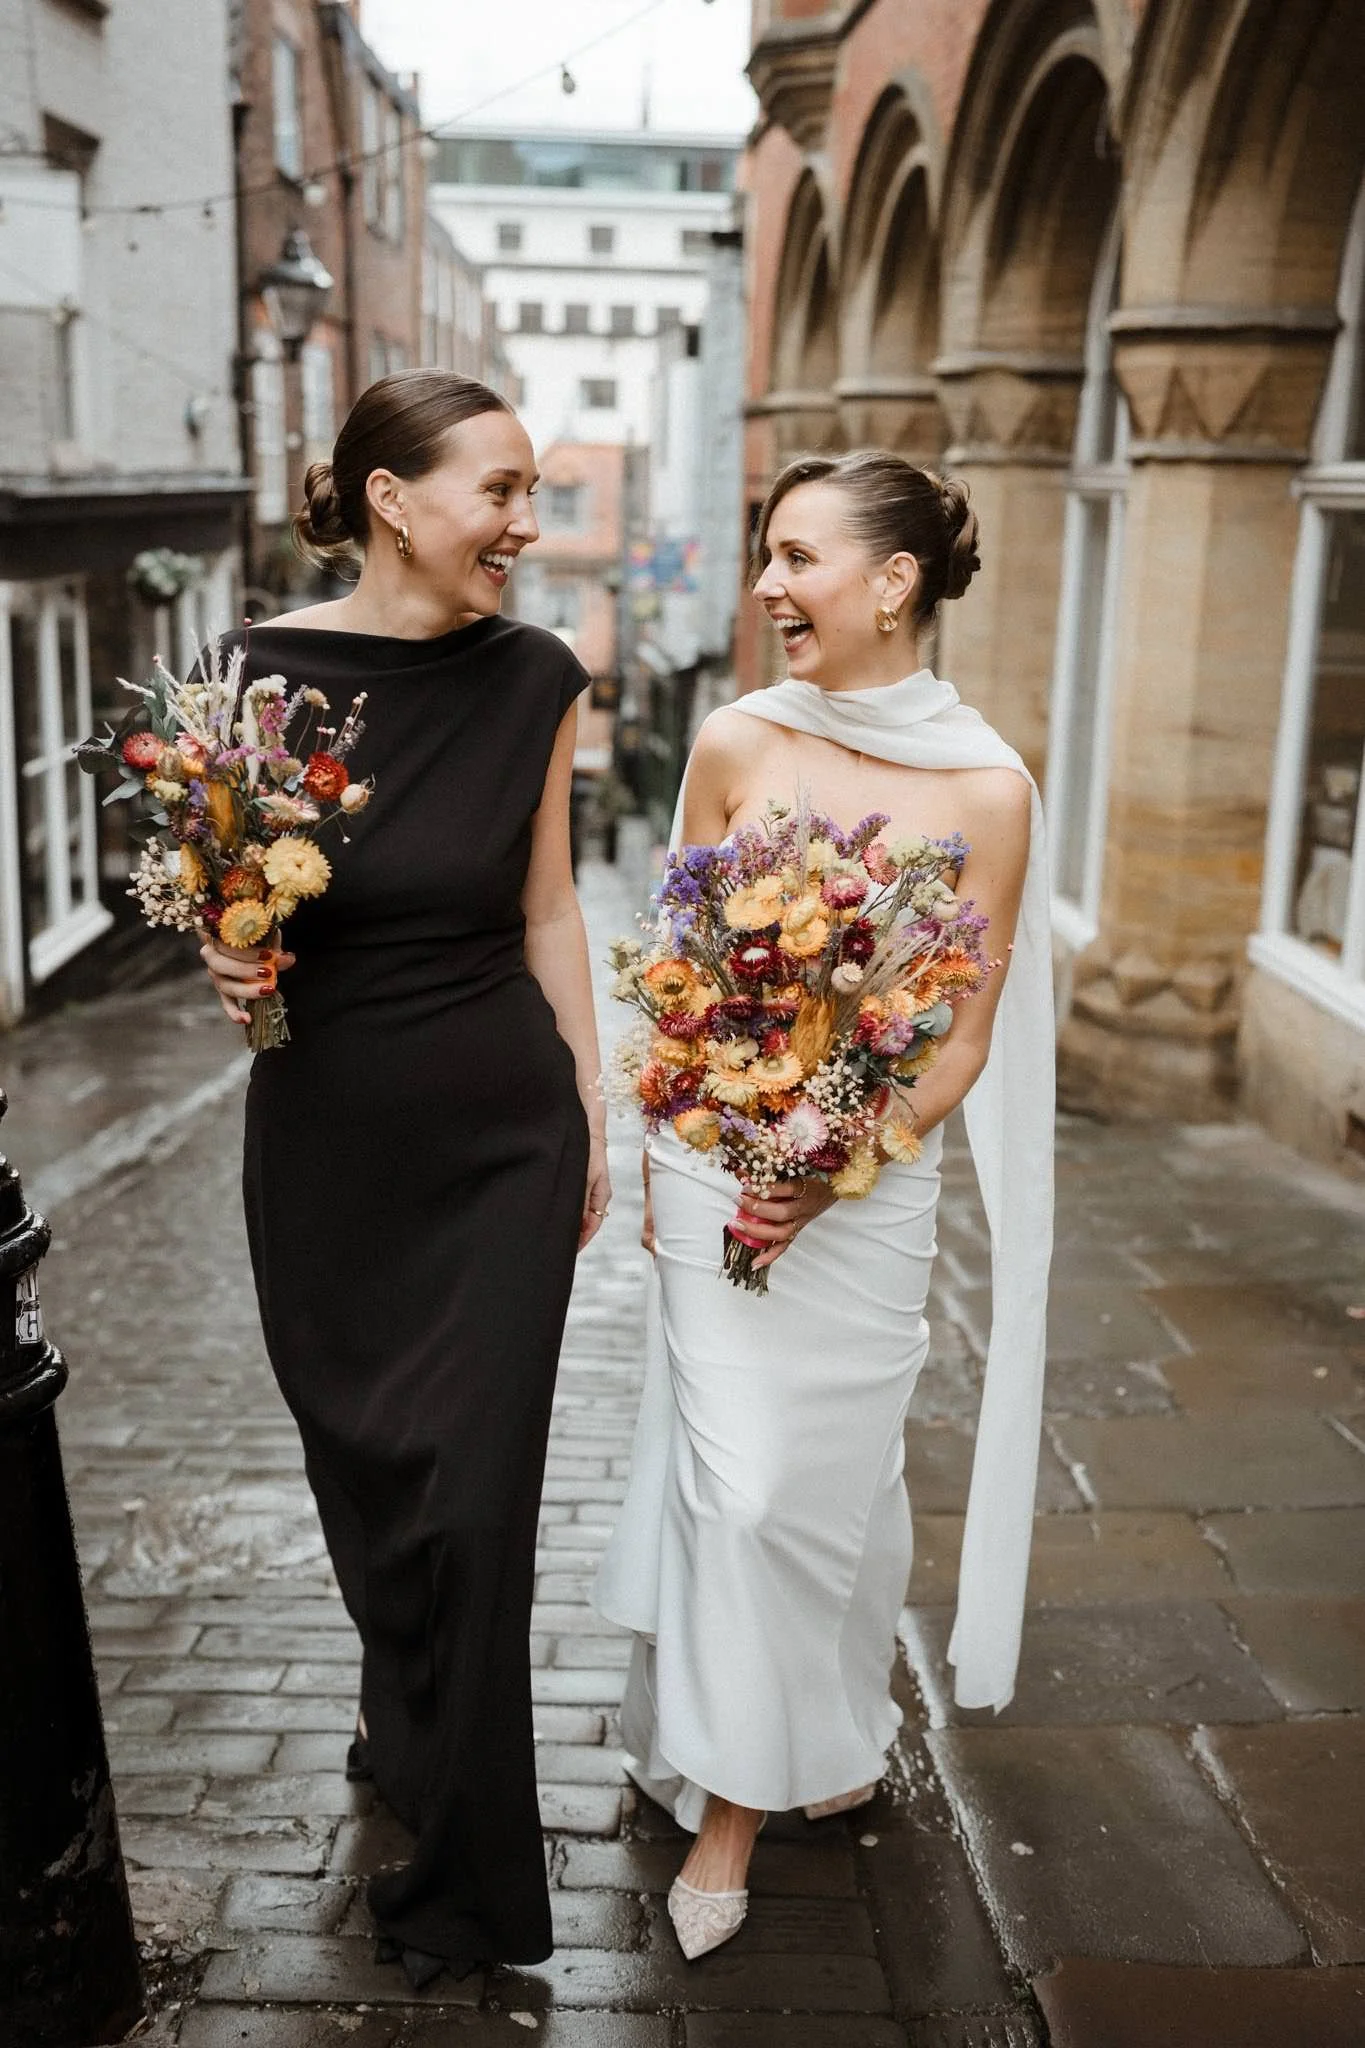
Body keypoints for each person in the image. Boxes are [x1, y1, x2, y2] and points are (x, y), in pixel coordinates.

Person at [595, 449, 1054, 1959]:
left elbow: (966, 1033)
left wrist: (836, 1155)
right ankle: (732, 1804)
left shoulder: (990, 787)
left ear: (894, 582)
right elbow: (677, 961)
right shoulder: (734, 739)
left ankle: (813, 1726)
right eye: (767, 558)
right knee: (743, 1491)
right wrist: (693, 1139)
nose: (769, 587)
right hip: (711, 1159)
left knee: (824, 1496)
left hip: (866, 1193)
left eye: (797, 558)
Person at [198, 370, 610, 1989]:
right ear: (390, 497)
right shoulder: (254, 678)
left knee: (477, 1501)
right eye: (500, 492)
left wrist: (592, 1105)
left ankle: (467, 1886)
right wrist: (224, 965)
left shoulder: (541, 677)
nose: (524, 525)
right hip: (328, 1141)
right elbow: (230, 904)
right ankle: (402, 1703)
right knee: (370, 1475)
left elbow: (553, 908)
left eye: (532, 496)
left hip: (505, 1134)